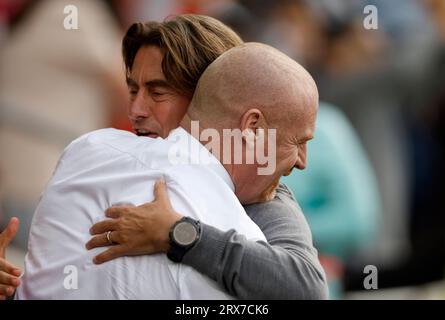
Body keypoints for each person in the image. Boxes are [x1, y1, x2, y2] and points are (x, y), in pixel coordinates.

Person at [1, 15, 327, 299]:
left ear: (209, 94)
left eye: (157, 93)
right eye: (132, 90)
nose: (136, 110)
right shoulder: (100, 157)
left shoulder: (263, 191)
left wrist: (179, 234)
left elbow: (305, 287)